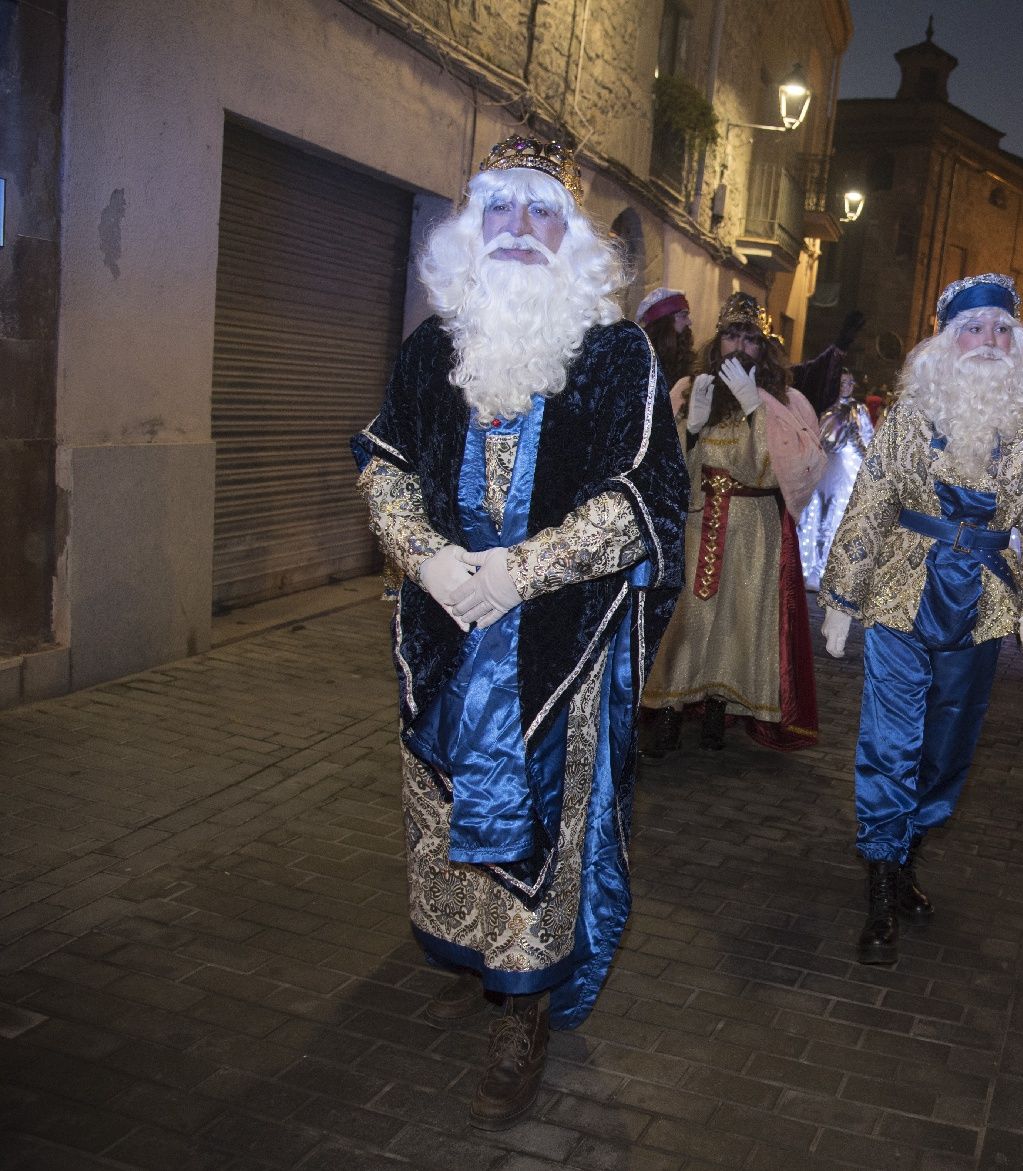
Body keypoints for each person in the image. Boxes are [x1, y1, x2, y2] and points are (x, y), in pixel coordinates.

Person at [351, 135, 687, 1129]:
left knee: (541, 815)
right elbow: (381, 459)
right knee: (448, 804)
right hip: (447, 629)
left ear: (569, 236)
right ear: (472, 225)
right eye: (499, 209)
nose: (517, 229)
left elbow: (643, 498)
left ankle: (523, 1004)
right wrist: (430, 558)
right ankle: (478, 953)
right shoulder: (429, 346)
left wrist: (518, 569)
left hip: (558, 645)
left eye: (540, 212)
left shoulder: (617, 354)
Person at [818, 273, 1023, 966]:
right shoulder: (908, 414)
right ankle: (878, 890)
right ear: (946, 341)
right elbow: (870, 501)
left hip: (984, 604)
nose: (987, 341)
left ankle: (905, 864)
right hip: (902, 594)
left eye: (999, 329)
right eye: (972, 328)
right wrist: (842, 596)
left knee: (946, 748)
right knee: (890, 743)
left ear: (1015, 342)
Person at [642, 292, 826, 754]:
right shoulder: (687, 390)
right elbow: (660, 470)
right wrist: (692, 429)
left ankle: (717, 713)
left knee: (738, 622)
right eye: (731, 336)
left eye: (751, 339)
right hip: (697, 522)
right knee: (685, 619)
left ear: (764, 350)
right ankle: (666, 716)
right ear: (717, 340)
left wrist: (757, 412)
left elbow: (800, 470)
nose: (740, 348)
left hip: (753, 529)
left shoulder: (788, 402)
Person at [798, 369, 875, 589]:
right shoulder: (827, 407)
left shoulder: (857, 409)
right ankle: (809, 566)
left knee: (833, 518)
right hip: (823, 468)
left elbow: (865, 441)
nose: (846, 386)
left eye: (849, 382)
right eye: (842, 382)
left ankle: (825, 569)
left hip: (844, 472)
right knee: (814, 517)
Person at [636, 286, 693, 391]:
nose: (689, 322)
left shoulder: (686, 359)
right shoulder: (639, 360)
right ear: (665, 321)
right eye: (683, 315)